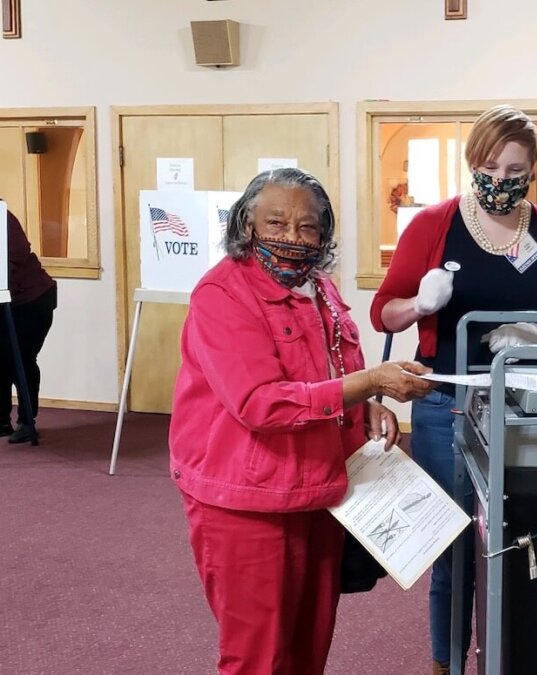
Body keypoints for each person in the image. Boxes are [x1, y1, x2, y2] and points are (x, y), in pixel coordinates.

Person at [169, 168, 435, 675]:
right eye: (276, 222)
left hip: (320, 491)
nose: (291, 237)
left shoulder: (321, 289)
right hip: (246, 502)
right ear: (246, 225)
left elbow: (333, 371)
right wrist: (369, 383)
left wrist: (365, 405)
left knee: (308, 650)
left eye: (307, 227)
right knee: (258, 657)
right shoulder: (222, 294)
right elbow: (261, 403)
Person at [371, 105, 537, 674]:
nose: (502, 179)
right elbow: (382, 315)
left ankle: (510, 656)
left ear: (533, 169)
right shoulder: (432, 226)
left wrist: (536, 330)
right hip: (446, 406)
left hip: (525, 408)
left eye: (515, 169)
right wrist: (420, 305)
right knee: (454, 551)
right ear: (473, 163)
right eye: (491, 165)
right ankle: (447, 664)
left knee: (520, 541)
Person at [0, 209, 58, 444]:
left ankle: (27, 422)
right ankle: (2, 421)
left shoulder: (3, 218)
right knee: (1, 360)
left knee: (21, 360)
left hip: (32, 300)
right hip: (8, 300)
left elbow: (13, 259)